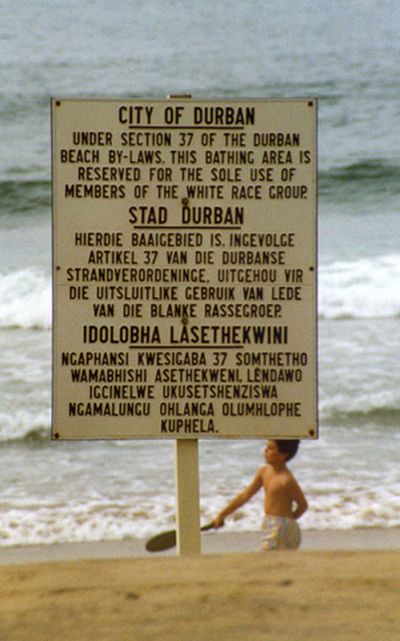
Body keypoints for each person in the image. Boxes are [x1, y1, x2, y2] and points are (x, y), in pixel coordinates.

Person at [212, 439, 308, 551]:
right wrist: (222, 514)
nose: (265, 450)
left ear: (282, 455)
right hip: (270, 523)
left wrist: (287, 521)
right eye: (266, 447)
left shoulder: (286, 480)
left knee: (263, 560)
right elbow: (245, 496)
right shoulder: (264, 472)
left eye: (270, 448)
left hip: (282, 527)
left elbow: (303, 505)